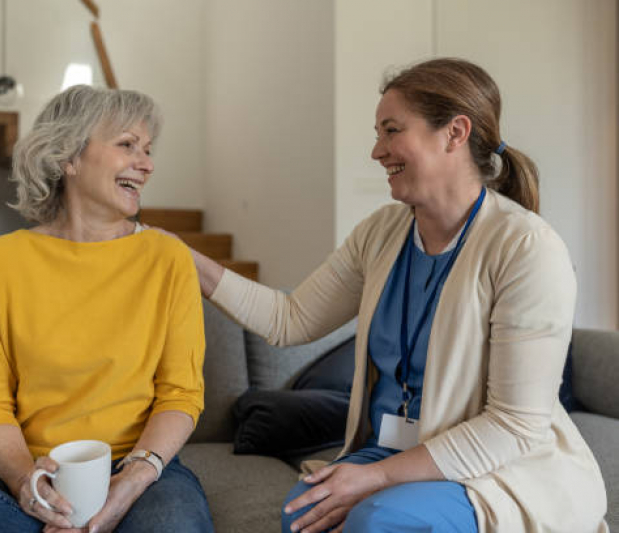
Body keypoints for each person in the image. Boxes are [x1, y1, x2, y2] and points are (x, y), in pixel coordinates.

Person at [172, 58, 608, 532]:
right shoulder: (381, 232)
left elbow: (513, 427)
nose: (377, 151)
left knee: (376, 519)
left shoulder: (526, 248)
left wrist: (371, 478)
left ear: (455, 133)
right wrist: (182, 258)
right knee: (304, 512)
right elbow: (289, 319)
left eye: (392, 130)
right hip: (403, 450)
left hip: (496, 468)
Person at [0, 85, 214, 533]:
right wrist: (27, 483)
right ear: (68, 157)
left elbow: (181, 394)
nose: (146, 164)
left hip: (137, 469)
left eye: (147, 150)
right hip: (37, 473)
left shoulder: (168, 258)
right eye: (127, 145)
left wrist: (132, 481)